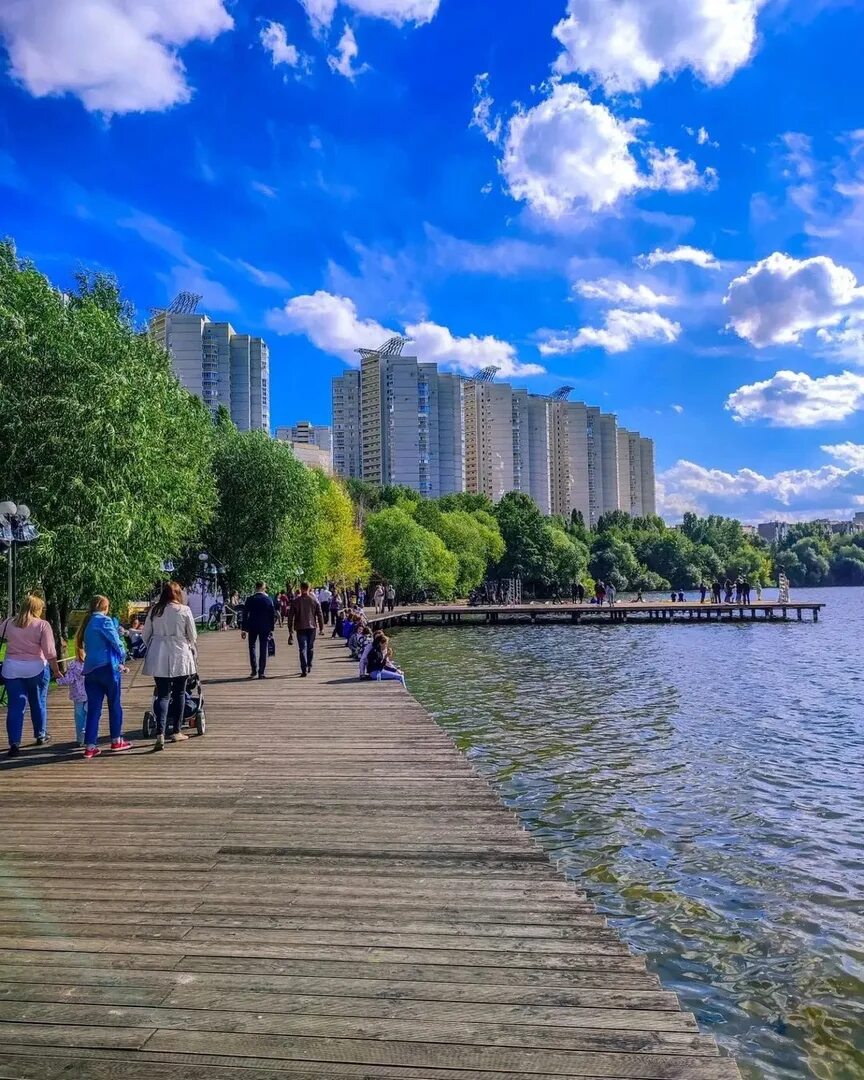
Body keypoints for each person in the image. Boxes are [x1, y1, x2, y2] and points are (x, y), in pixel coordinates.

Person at [2, 594, 64, 757]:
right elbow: (50, 652)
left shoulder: (9, 622)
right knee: (38, 702)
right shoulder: (42, 625)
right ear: (37, 609)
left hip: (12, 669)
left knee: (15, 706)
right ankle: (40, 735)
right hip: (36, 667)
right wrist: (56, 671)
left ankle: (14, 743)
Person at [142, 581, 198, 751]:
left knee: (163, 694)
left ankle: (160, 731)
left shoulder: (154, 611)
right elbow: (193, 635)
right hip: (179, 652)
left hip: (159, 653)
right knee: (180, 692)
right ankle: (176, 730)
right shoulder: (184, 610)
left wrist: (154, 645)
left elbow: (146, 635)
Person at [77, 595, 132, 759]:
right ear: (104, 607)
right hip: (107, 669)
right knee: (114, 704)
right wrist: (123, 656)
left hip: (90, 670)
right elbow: (116, 642)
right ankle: (116, 740)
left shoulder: (87, 624)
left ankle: (90, 746)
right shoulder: (105, 621)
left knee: (94, 709)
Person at [241, 582, 275, 679]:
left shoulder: (250, 599)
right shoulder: (268, 599)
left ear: (256, 588)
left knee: (252, 647)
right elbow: (272, 615)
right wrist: (271, 628)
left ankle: (253, 670)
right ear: (264, 588)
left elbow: (245, 614)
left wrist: (244, 629)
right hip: (265, 627)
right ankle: (261, 672)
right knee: (263, 647)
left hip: (252, 626)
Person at [292, 582, 324, 677]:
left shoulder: (296, 601)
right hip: (312, 627)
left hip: (300, 627)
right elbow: (320, 614)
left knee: (302, 648)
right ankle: (309, 664)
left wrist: (290, 629)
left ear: (301, 588)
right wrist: (321, 628)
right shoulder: (314, 600)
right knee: (310, 647)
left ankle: (304, 669)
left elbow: (290, 616)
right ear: (309, 588)